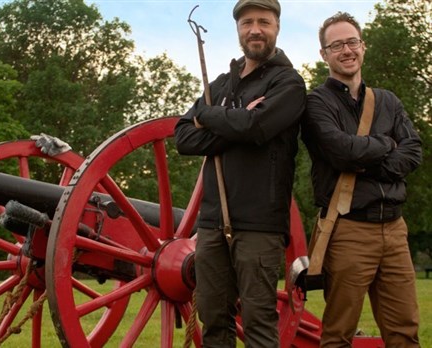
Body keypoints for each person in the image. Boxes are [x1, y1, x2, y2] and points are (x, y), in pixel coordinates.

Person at [174, 0, 306, 346]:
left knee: (258, 319)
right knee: (214, 319)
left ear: (277, 27)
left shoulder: (288, 84)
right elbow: (184, 137)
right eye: (247, 22)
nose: (255, 29)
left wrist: (210, 117)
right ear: (238, 30)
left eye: (264, 21)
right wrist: (235, 123)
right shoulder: (220, 86)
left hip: (260, 222)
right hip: (212, 221)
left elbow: (257, 127)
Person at [301, 11, 421, 347]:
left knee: (405, 333)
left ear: (363, 46)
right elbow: (341, 152)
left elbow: (412, 152)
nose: (346, 50)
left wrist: (370, 161)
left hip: (395, 230)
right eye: (336, 45)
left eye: (351, 42)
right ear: (324, 54)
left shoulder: (387, 101)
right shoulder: (315, 103)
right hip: (348, 230)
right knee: (338, 335)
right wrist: (386, 144)